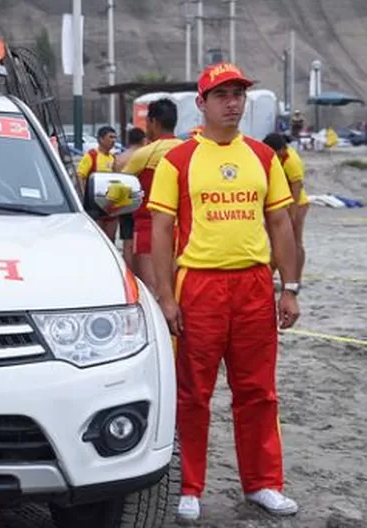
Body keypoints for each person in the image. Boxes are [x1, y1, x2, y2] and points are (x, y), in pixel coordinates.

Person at [147, 63, 301, 522]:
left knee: (258, 391)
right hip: (199, 285)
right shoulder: (177, 160)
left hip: (254, 284)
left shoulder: (263, 156)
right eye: (222, 95)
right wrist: (165, 296)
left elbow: (280, 223)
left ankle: (263, 484)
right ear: (202, 102)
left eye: (238, 94)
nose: (233, 102)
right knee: (193, 393)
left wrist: (289, 288)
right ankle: (189, 487)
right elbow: (160, 229)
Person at [117, 99, 182, 293]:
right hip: (184, 233)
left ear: (153, 122)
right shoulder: (189, 151)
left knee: (152, 294)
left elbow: (121, 189)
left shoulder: (144, 154)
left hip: (148, 231)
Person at [263, 132, 309, 279]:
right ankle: (270, 276)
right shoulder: (277, 158)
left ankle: (295, 279)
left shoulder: (291, 161)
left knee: (295, 242)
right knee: (278, 243)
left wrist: (292, 214)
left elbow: (297, 188)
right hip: (281, 204)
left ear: (280, 150)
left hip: (297, 204)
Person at [113, 127, 148, 267]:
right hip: (141, 198)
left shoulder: (120, 158)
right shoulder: (144, 155)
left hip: (124, 200)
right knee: (139, 240)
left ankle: (128, 269)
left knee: (127, 238)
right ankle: (140, 268)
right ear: (143, 140)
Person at [77, 126, 118, 239]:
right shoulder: (91, 155)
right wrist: (85, 196)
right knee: (97, 237)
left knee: (111, 238)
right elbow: (80, 176)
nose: (113, 140)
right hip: (95, 206)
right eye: (110, 137)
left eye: (115, 137)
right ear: (101, 139)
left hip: (110, 205)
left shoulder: (113, 158)